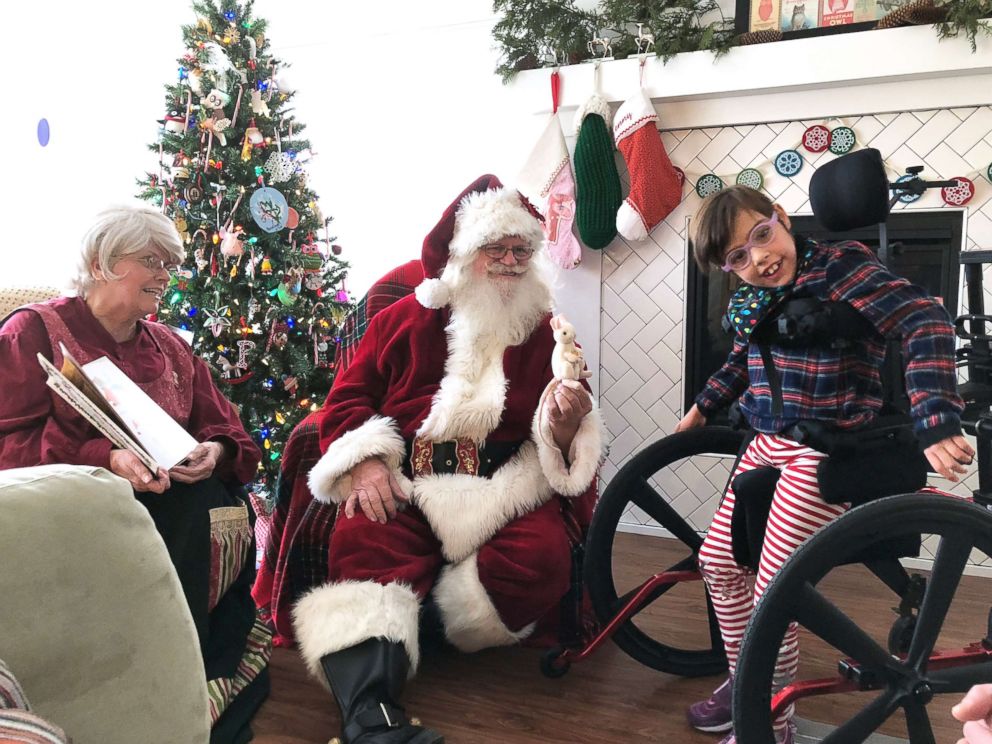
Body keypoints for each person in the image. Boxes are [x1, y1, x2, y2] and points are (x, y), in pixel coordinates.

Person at [293, 174, 605, 744]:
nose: (511, 262)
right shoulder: (398, 321)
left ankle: (421, 630)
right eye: (497, 250)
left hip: (504, 482)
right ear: (464, 255)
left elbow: (566, 425)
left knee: (540, 557)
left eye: (521, 251)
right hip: (407, 476)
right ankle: (368, 713)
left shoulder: (547, 332)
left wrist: (563, 424)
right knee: (362, 539)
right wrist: (366, 463)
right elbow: (347, 399)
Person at [676, 186, 973, 744]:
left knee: (774, 592)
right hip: (767, 442)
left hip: (826, 450)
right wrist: (704, 406)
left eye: (761, 236)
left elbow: (925, 320)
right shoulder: (751, 300)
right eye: (737, 257)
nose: (758, 258)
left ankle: (772, 722)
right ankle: (747, 684)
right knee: (717, 563)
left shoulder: (843, 269)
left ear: (781, 219)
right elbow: (743, 360)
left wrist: (936, 419)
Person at [0, 205, 270, 744]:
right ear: (102, 262)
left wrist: (213, 451)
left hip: (169, 497)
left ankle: (176, 671)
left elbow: (232, 435)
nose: (165, 277)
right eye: (152, 261)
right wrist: (106, 457)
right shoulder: (33, 330)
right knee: (171, 509)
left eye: (169, 265)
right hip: (75, 505)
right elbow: (8, 441)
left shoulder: (169, 345)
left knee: (196, 499)